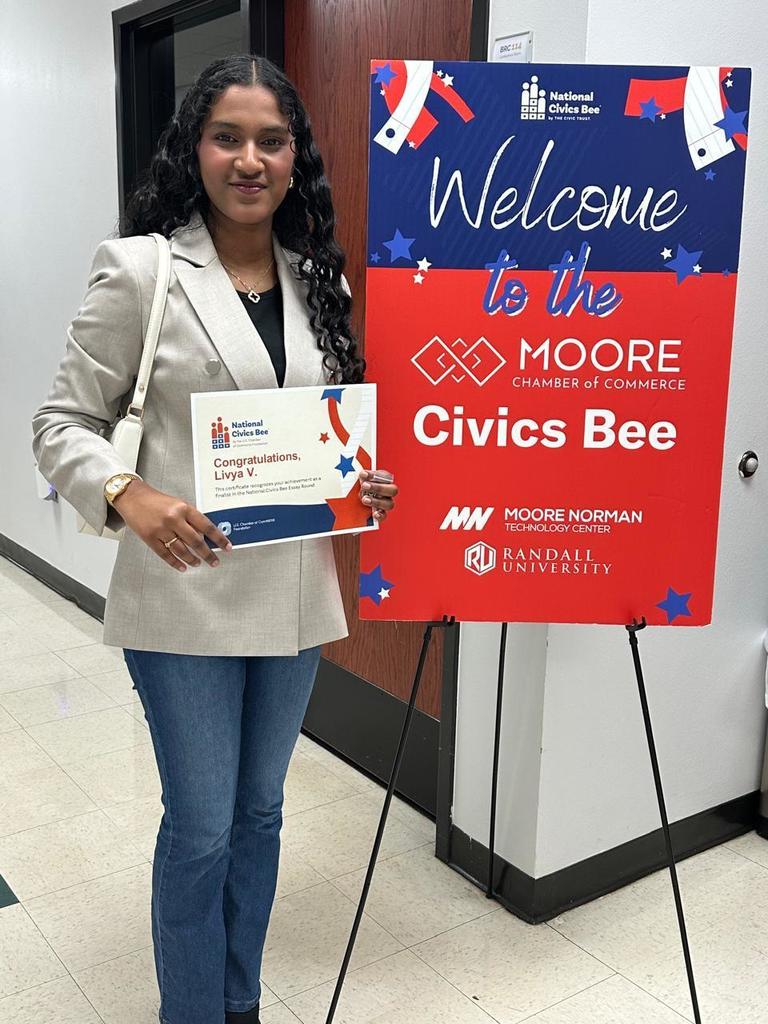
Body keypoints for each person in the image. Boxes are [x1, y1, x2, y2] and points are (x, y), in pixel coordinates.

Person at [31, 54, 398, 1024]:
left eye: (271, 140)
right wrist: (128, 493)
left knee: (263, 813)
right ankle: (191, 1012)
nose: (249, 159)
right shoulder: (143, 270)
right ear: (193, 148)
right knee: (200, 827)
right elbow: (59, 422)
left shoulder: (321, 276)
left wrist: (363, 483)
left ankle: (241, 1000)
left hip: (293, 598)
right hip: (184, 599)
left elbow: (322, 430)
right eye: (227, 137)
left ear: (294, 157)